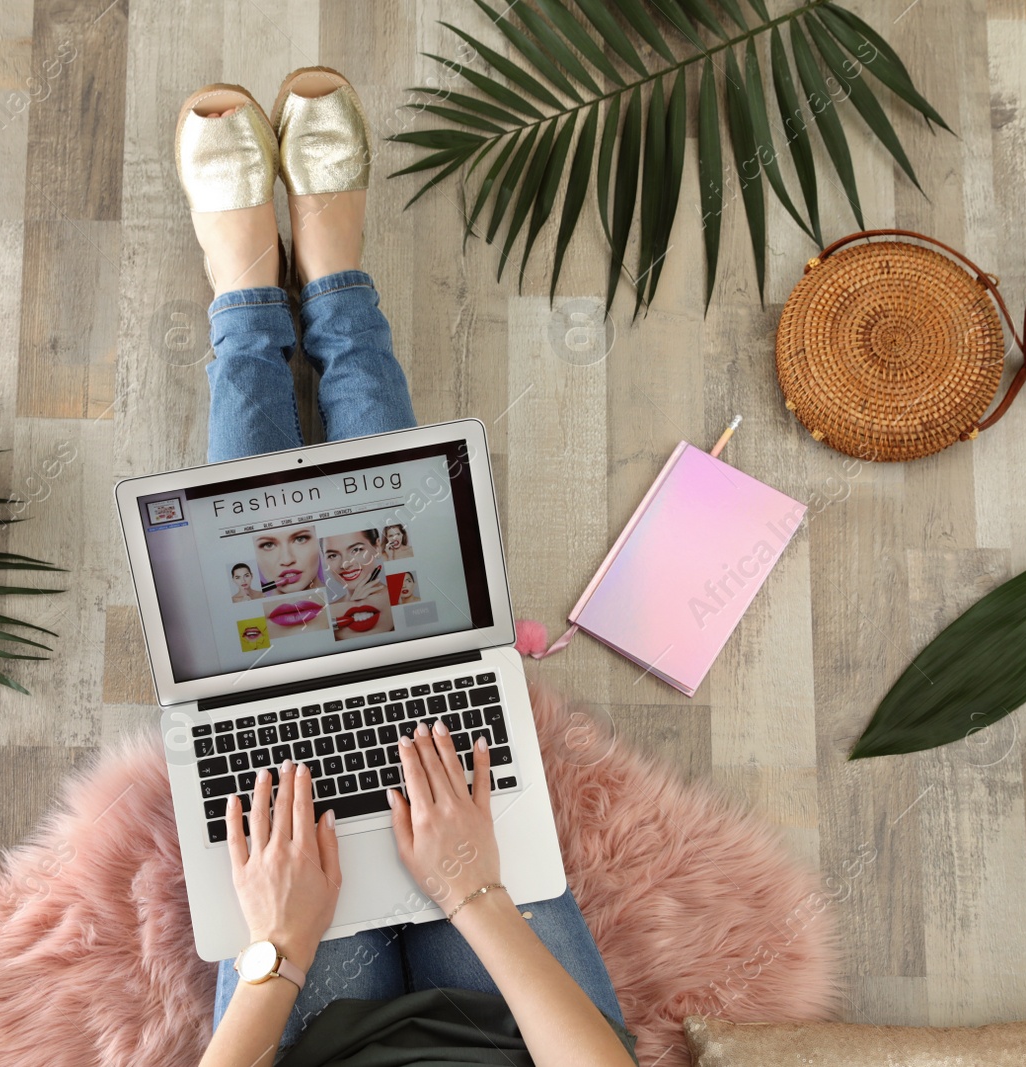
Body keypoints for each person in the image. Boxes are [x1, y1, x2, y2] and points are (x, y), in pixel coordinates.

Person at [178, 68, 635, 1067]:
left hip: (311, 1034)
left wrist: (281, 946)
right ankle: (335, 283)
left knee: (261, 652)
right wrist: (470, 887)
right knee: (413, 640)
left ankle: (248, 303)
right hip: (511, 1039)